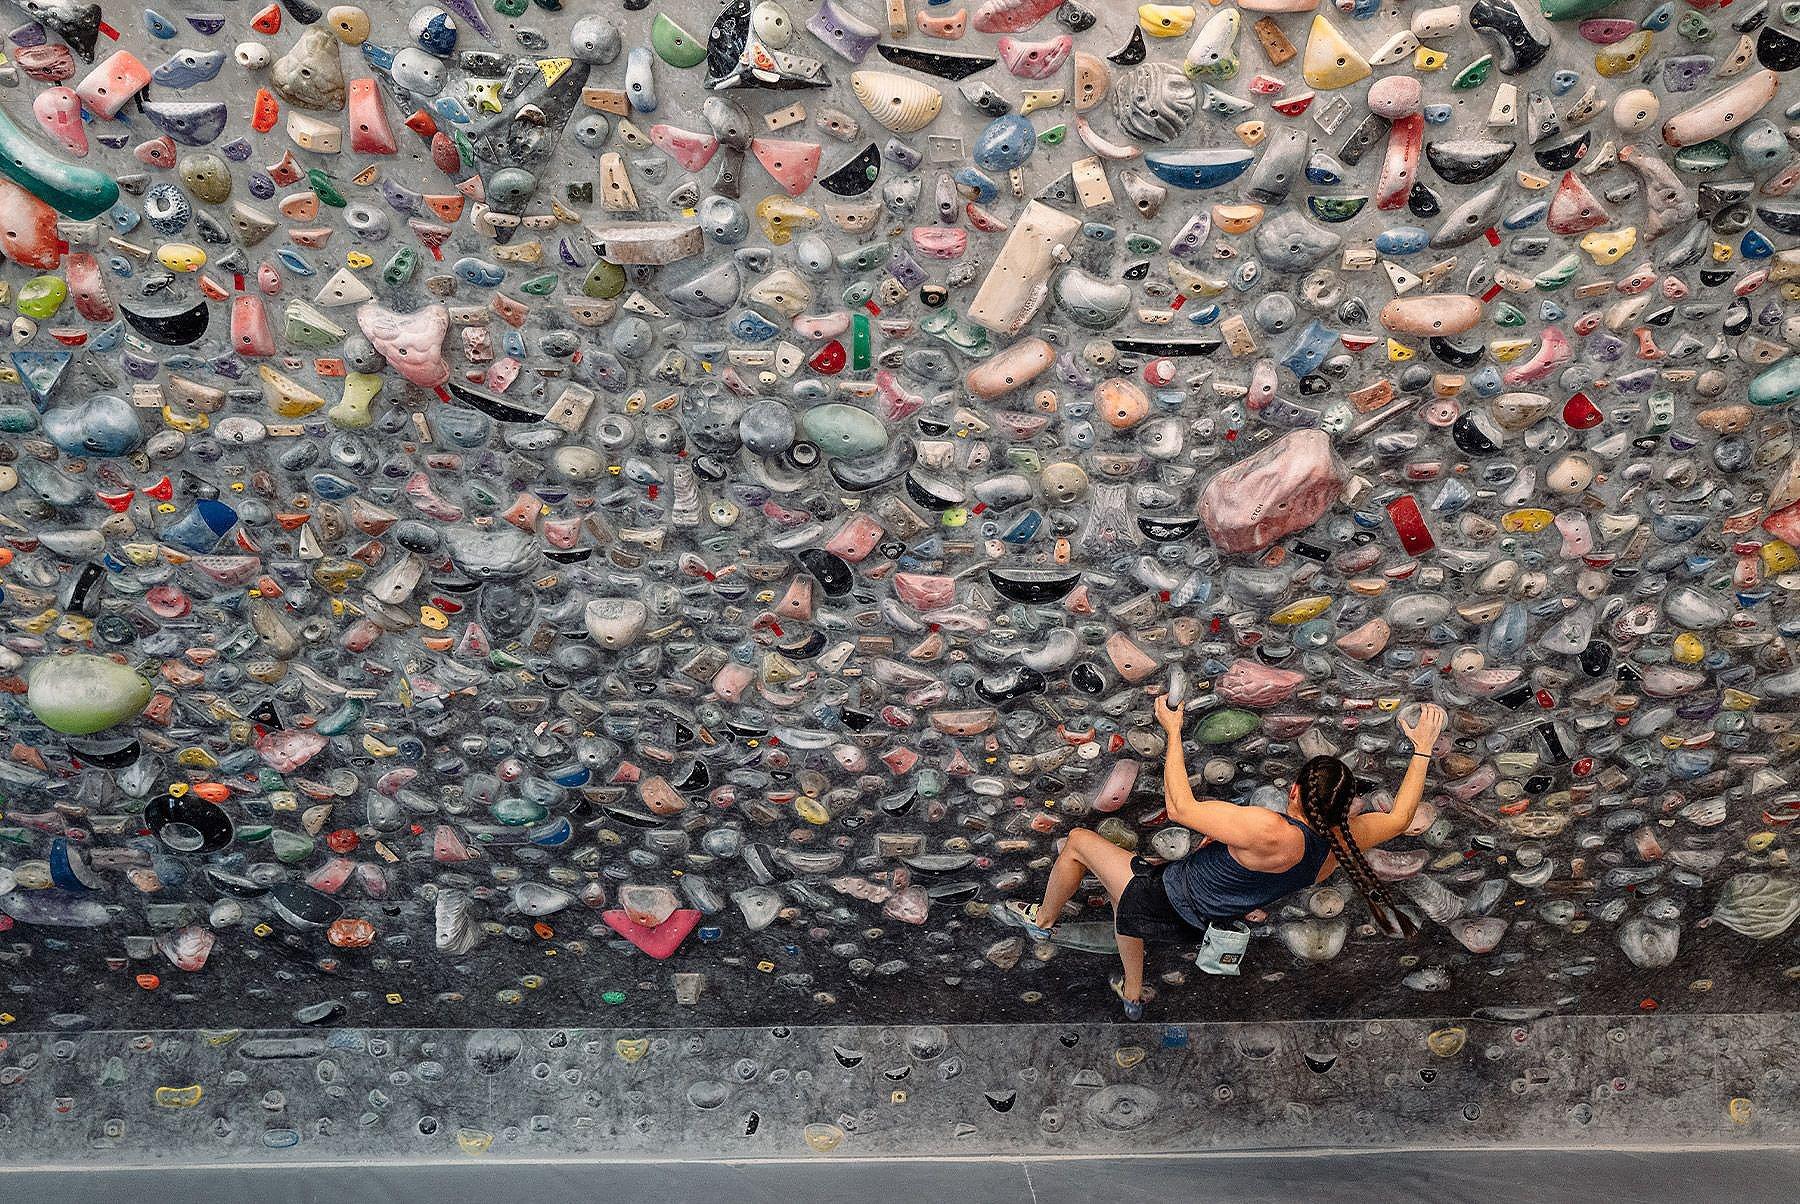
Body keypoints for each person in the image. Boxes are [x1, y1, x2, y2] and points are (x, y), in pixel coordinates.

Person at [1002, 699, 1447, 1019]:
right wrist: (1422, 749)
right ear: (1343, 806)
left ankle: (1041, 920)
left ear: (1294, 791)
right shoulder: (1341, 841)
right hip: (1202, 920)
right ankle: (1133, 994)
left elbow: (1180, 809)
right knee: (1123, 908)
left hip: (1166, 898)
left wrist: (1173, 730)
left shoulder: (1271, 831)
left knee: (1080, 841)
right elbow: (1403, 816)